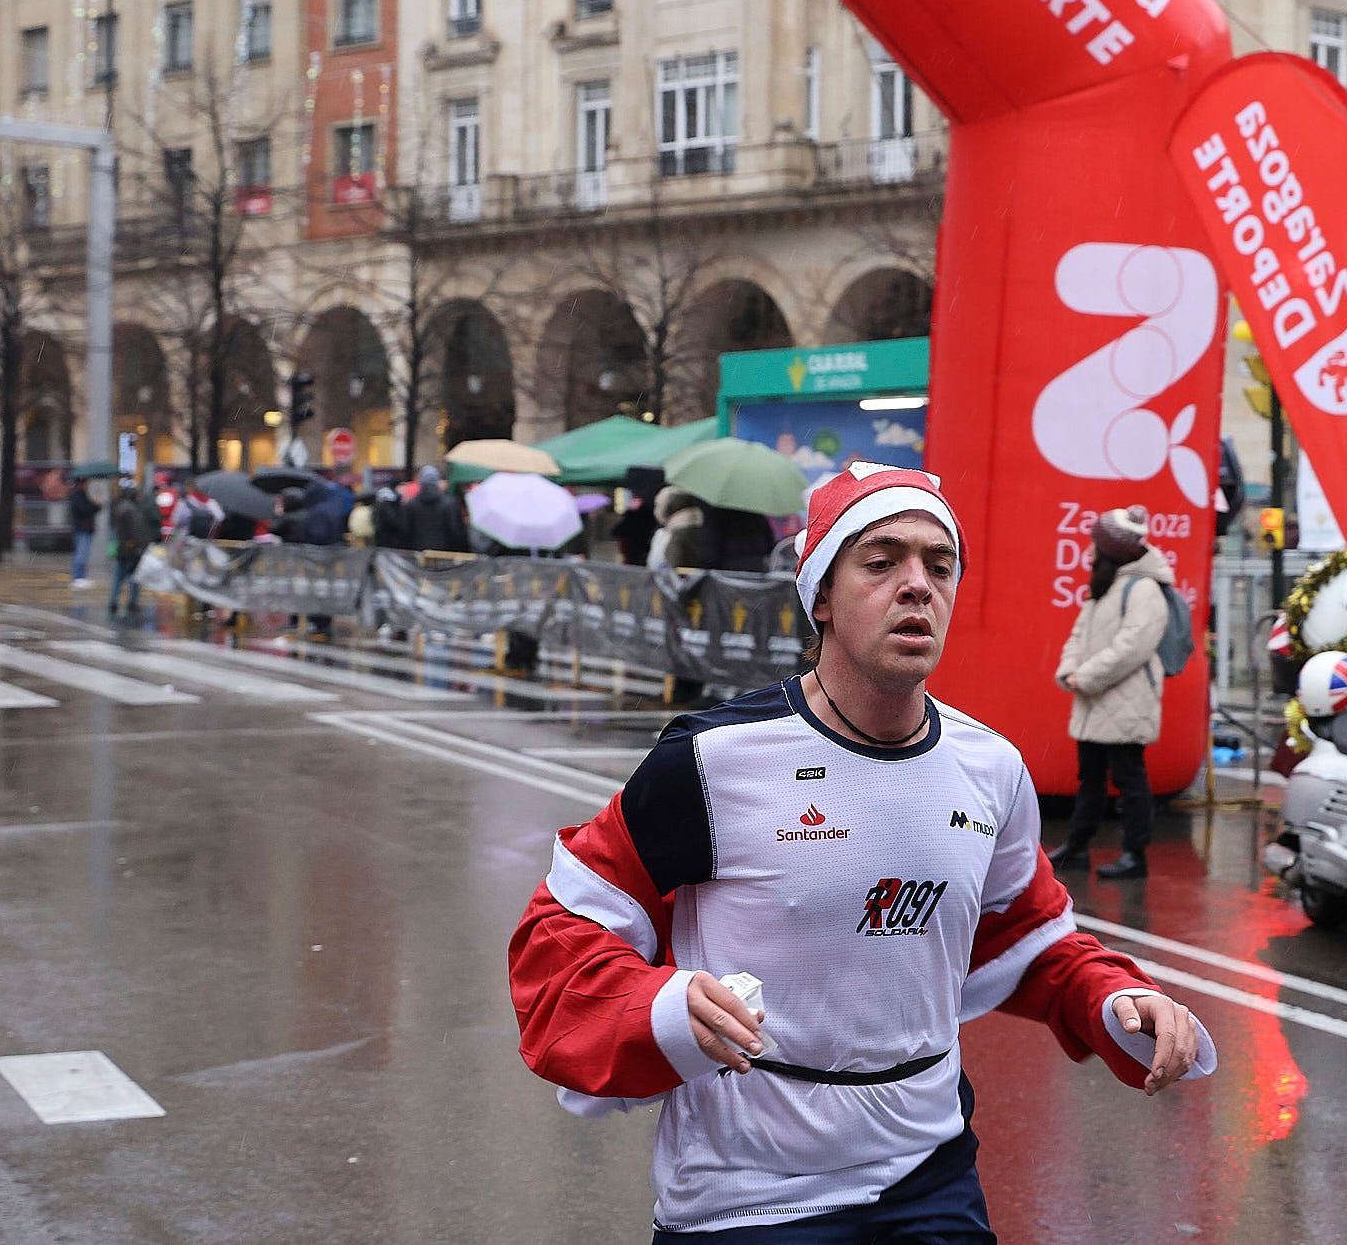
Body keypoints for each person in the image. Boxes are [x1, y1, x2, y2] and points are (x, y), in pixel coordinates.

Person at [510, 463, 1215, 1241]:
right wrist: (662, 1008)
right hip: (749, 1193)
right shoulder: (712, 763)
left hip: (929, 1172)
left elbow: (1025, 936)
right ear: (821, 596)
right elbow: (564, 934)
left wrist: (1112, 997)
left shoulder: (990, 768)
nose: (917, 585)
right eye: (881, 562)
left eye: (938, 565)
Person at [1048, 505, 1175, 881]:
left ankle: (1135, 855)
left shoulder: (1144, 589)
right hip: (1095, 699)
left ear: (1111, 548)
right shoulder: (1108, 583)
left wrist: (1084, 676)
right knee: (1090, 779)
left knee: (1129, 781)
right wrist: (1070, 670)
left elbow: (1133, 646)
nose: (1090, 549)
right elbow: (1079, 634)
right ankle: (1078, 846)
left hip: (1124, 701)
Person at [109, 481, 158, 617]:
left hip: (122, 548)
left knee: (118, 578)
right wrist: (141, 544)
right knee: (134, 577)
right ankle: (132, 601)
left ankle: (113, 601)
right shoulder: (131, 510)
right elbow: (137, 530)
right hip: (131, 549)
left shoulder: (119, 507)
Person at [404, 465, 469, 554]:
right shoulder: (449, 504)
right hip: (445, 555)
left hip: (418, 555)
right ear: (437, 481)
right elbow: (455, 531)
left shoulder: (410, 505)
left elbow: (405, 532)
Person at [68, 479, 101, 588]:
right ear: (81, 484)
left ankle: (81, 577)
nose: (87, 486)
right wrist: (94, 505)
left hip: (84, 529)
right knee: (81, 554)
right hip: (82, 529)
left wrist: (96, 505)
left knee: (83, 553)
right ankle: (78, 578)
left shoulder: (82, 495)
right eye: (86, 484)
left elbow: (89, 508)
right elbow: (83, 509)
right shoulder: (77, 496)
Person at [612, 491, 658, 565]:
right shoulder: (651, 520)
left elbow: (616, 532)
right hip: (644, 555)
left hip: (631, 556)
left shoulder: (630, 520)